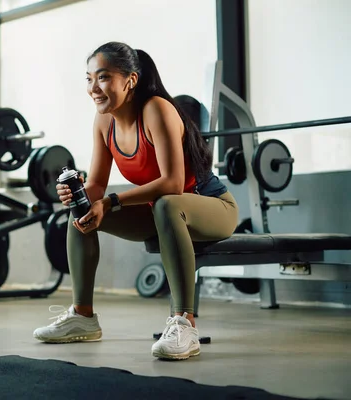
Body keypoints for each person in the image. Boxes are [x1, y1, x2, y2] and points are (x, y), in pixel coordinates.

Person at [32, 42, 239, 361]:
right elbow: (98, 184)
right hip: (161, 211)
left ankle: (185, 323)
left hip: (210, 206)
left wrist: (112, 202)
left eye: (102, 78)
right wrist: (80, 195)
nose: (93, 88)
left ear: (130, 80)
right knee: (83, 213)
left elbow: (171, 183)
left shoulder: (156, 109)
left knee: (167, 203)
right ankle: (83, 317)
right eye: (88, 79)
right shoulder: (104, 121)